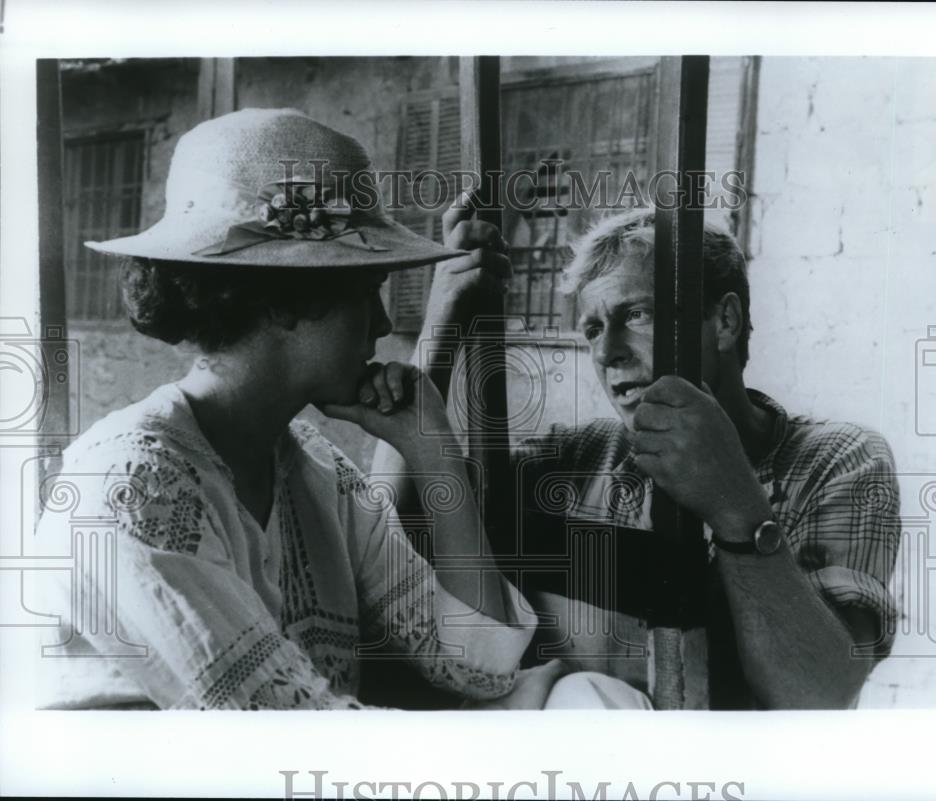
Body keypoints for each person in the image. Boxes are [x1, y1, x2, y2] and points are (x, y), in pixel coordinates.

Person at [33, 108, 553, 710]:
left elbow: (480, 667)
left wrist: (431, 448)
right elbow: (285, 730)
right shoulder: (129, 482)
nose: (383, 325)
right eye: (366, 294)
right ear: (281, 301)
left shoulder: (315, 471)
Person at [376, 207, 902, 710]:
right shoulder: (581, 455)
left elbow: (816, 699)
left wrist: (734, 502)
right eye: (593, 329)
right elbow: (393, 529)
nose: (608, 353)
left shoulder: (838, 459)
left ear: (724, 322)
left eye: (637, 314)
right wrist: (442, 315)